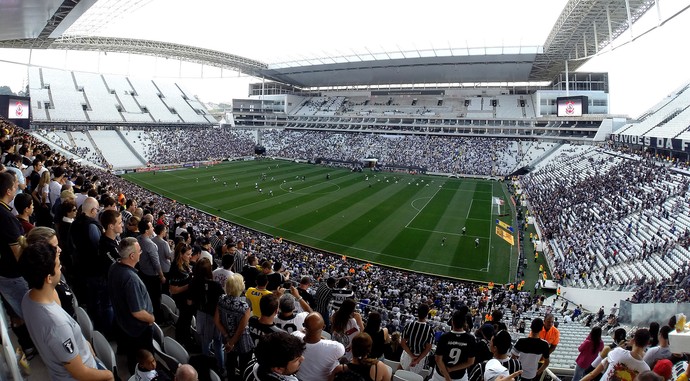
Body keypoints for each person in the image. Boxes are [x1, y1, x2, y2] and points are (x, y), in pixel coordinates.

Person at [19, 241, 114, 381]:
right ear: (48, 278)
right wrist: (109, 375)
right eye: (58, 266)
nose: (61, 267)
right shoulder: (57, 325)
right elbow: (80, 373)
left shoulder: (28, 298)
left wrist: (83, 343)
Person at [108, 237, 155, 374]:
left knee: (132, 356)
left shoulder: (114, 266)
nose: (141, 253)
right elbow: (137, 312)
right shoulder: (130, 278)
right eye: (139, 251)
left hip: (124, 324)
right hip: (138, 329)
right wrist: (151, 319)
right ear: (132, 256)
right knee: (143, 361)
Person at [216, 273, 254, 381]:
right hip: (243, 341)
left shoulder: (221, 299)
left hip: (227, 338)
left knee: (230, 363)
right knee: (244, 366)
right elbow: (241, 329)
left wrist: (227, 338)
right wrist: (232, 342)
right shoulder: (244, 305)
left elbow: (216, 320)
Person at [189, 258, 225, 371]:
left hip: (201, 314)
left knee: (205, 342)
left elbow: (189, 302)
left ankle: (207, 367)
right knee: (218, 344)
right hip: (214, 316)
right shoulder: (216, 286)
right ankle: (220, 368)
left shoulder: (193, 282)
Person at [581, 328, 650, 381]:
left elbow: (592, 375)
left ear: (632, 340)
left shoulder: (617, 352)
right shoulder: (646, 370)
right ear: (647, 344)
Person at [293, 312, 345, 381]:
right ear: (323, 327)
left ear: (304, 326)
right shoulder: (336, 348)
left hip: (298, 378)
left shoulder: (294, 336)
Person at [432, 309, 477, 381]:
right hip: (459, 376)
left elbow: (438, 359)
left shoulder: (444, 337)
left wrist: (447, 376)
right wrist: (451, 369)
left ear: (452, 322)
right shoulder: (470, 339)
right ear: (464, 323)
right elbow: (470, 362)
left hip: (440, 375)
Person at [138, 218, 165, 322]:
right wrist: (162, 276)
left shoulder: (139, 238)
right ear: (146, 230)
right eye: (151, 227)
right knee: (155, 298)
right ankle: (157, 319)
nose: (153, 228)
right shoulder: (149, 244)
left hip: (143, 272)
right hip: (152, 276)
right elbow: (156, 263)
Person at [168, 242, 194, 346]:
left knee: (186, 319)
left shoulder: (184, 264)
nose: (190, 256)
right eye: (188, 254)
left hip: (186, 298)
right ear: (181, 254)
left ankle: (185, 338)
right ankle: (183, 340)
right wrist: (189, 285)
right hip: (181, 299)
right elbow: (173, 290)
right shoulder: (175, 268)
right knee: (184, 319)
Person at [400, 303, 435, 374]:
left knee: (402, 374)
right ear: (426, 314)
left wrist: (412, 356)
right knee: (413, 377)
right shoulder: (429, 330)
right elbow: (428, 348)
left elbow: (403, 343)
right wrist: (417, 359)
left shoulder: (409, 325)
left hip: (407, 354)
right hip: (420, 357)